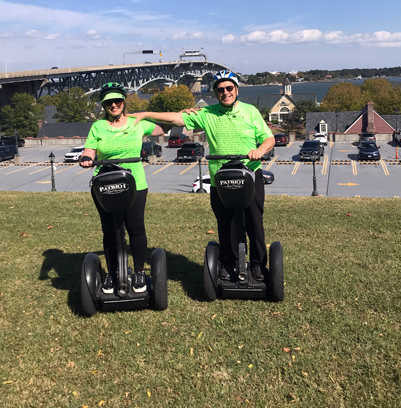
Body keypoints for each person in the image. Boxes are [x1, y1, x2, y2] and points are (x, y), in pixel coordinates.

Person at [130, 70, 275, 282]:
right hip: (221, 178)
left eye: (229, 88)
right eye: (220, 90)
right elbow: (177, 119)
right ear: (215, 93)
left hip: (250, 174)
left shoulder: (250, 111)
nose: (225, 92)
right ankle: (229, 263)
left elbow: (268, 138)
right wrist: (145, 114)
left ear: (236, 89)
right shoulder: (207, 114)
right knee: (226, 224)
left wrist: (260, 150)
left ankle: (257, 265)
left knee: (254, 222)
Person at [79, 82, 166, 294]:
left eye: (118, 100)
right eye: (109, 102)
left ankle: (137, 272)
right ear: (104, 105)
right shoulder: (98, 127)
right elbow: (90, 149)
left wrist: (146, 114)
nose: (114, 104)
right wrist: (85, 158)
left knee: (135, 228)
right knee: (110, 230)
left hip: (134, 184)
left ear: (124, 102)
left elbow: (162, 128)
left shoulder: (137, 122)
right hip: (105, 184)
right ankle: (112, 273)